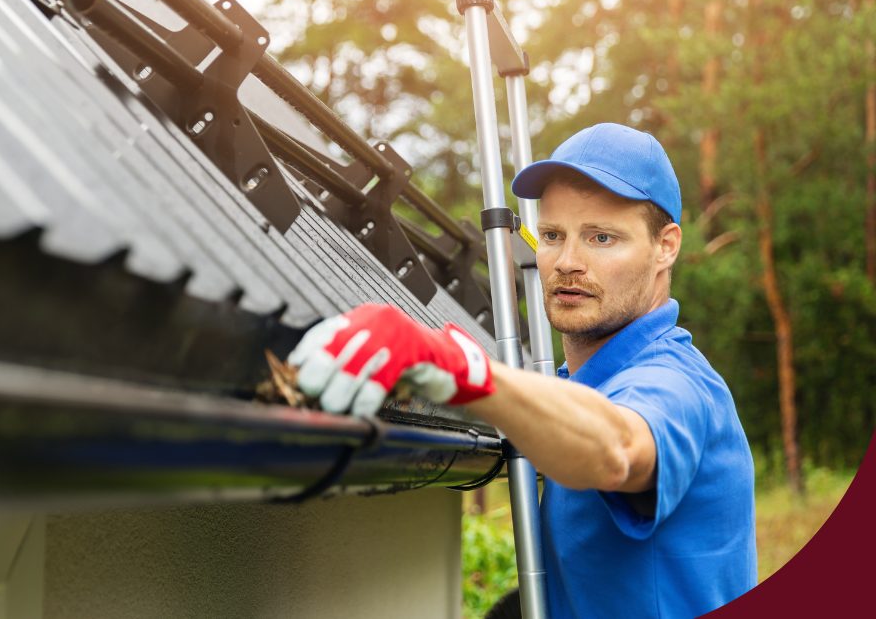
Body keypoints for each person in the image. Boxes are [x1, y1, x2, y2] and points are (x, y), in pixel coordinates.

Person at [288, 123, 757, 618]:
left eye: (601, 237)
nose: (567, 262)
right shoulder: (571, 384)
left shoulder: (675, 382)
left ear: (666, 246)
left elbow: (618, 448)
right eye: (553, 235)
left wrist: (463, 369)